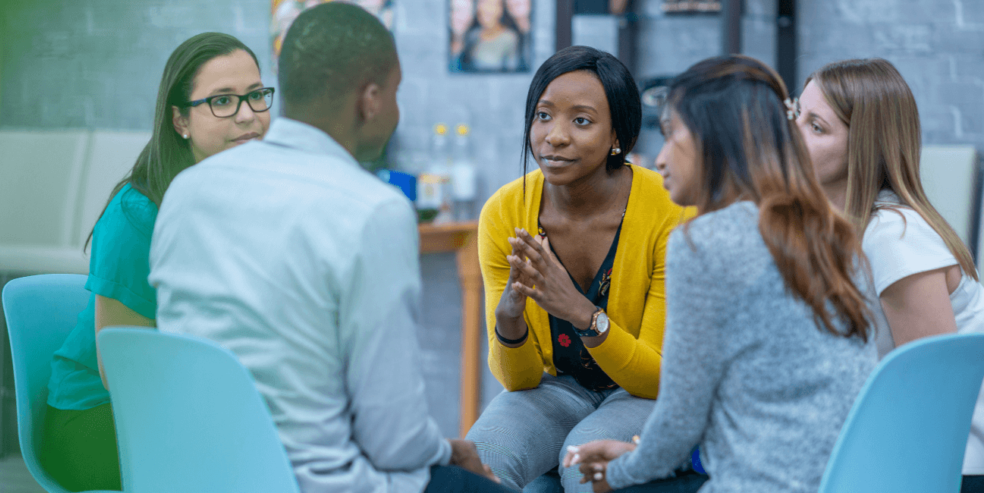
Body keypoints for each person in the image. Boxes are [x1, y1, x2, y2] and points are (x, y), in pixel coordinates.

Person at [148, 4, 514, 493]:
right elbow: (394, 442)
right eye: (396, 94)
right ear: (370, 100)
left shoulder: (187, 191)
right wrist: (449, 448)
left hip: (195, 475)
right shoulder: (372, 211)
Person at [564, 55, 877, 493]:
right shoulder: (831, 230)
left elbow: (681, 414)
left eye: (674, 136)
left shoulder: (705, 242)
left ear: (716, 141)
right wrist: (640, 456)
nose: (660, 158)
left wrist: (618, 475)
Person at [41, 32, 273, 491]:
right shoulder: (138, 215)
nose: (248, 114)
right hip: (98, 421)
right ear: (180, 120)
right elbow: (123, 375)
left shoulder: (245, 198)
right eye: (223, 100)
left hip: (194, 405)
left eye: (256, 95)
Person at [466, 45, 687, 492]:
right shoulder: (504, 212)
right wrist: (508, 320)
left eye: (581, 121)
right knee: (479, 464)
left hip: (642, 392)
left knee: (583, 461)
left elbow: (659, 376)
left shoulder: (669, 210)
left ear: (617, 137)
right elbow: (520, 380)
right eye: (543, 116)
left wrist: (581, 313)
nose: (555, 136)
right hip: (556, 387)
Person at [798, 58, 984, 492]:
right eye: (796, 115)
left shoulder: (892, 236)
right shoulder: (829, 229)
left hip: (959, 463)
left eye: (816, 127)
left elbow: (935, 397)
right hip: (900, 447)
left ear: (863, 146)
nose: (791, 137)